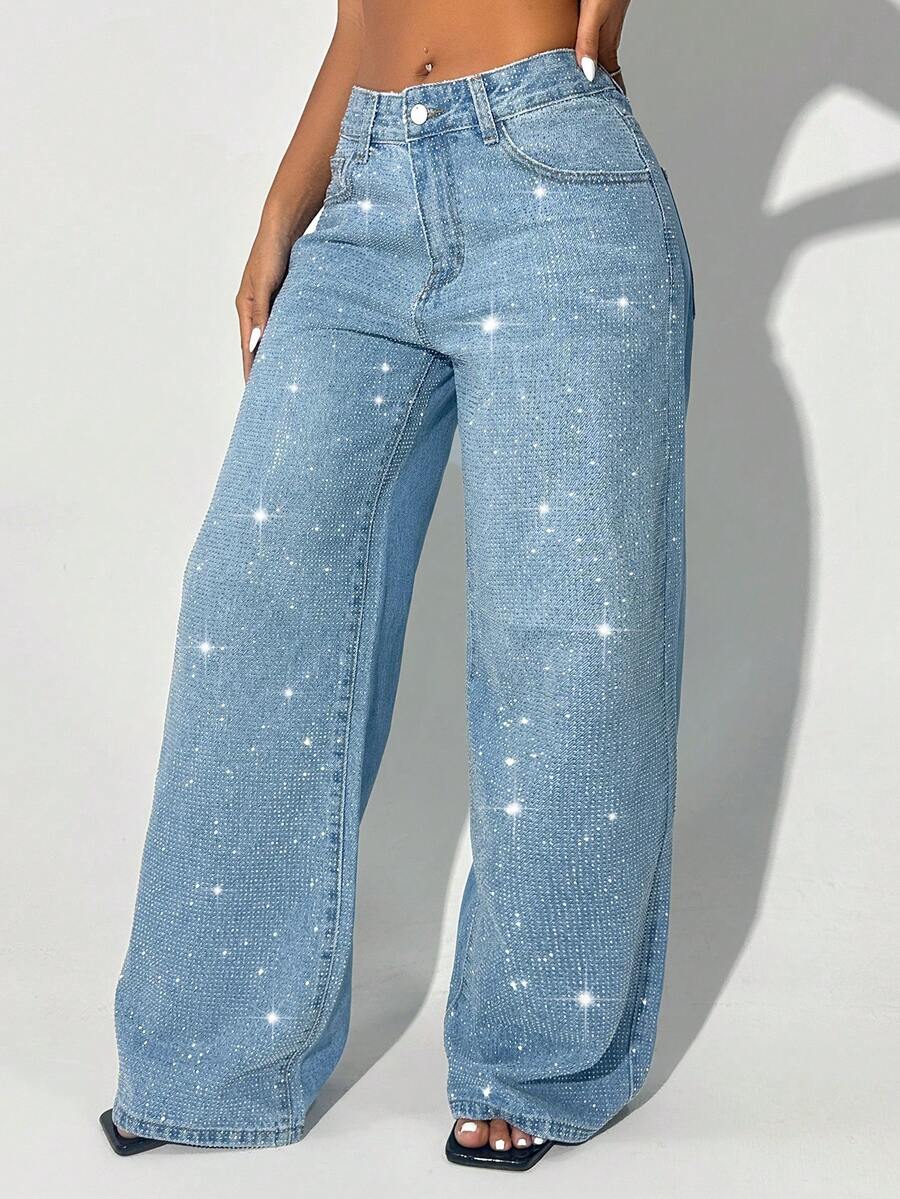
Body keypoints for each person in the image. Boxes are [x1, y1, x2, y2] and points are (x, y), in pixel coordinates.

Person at [99, 0, 694, 1171]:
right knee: (252, 595)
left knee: (566, 628)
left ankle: (536, 1059)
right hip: (365, 190)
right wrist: (286, 205)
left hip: (558, 179)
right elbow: (359, 17)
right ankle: (208, 1052)